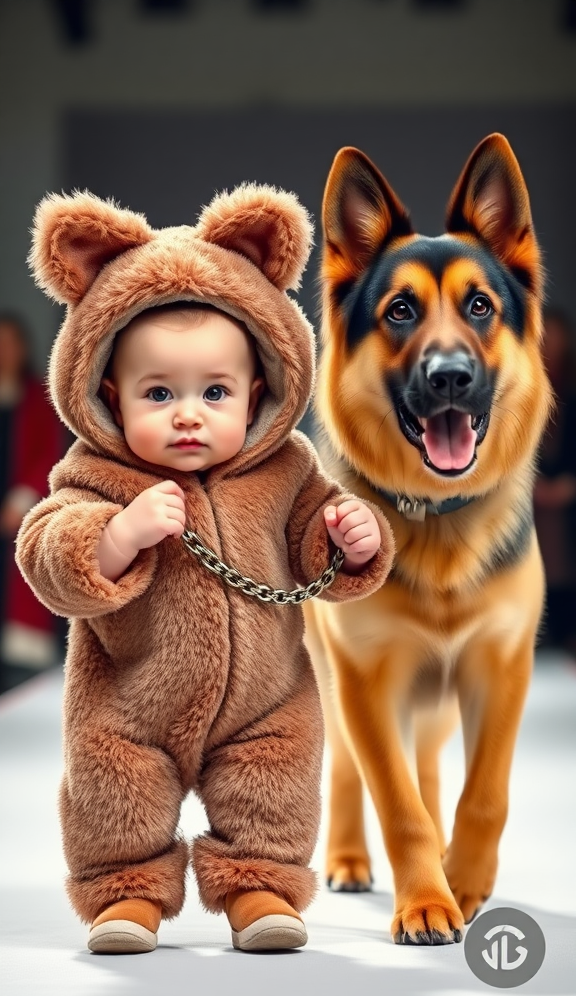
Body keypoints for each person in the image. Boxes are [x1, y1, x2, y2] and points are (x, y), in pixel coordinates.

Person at [16, 185, 395, 955]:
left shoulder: (287, 469)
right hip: (130, 698)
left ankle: (259, 883)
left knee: (275, 780)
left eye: (213, 392)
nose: (188, 414)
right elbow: (46, 551)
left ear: (258, 392)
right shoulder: (93, 474)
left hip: (264, 697)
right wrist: (117, 536)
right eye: (159, 393)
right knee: (112, 788)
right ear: (108, 397)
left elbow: (313, 542)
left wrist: (353, 539)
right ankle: (126, 894)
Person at [0, 313, 63, 690]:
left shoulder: (38, 398)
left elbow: (47, 453)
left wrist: (20, 500)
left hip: (20, 512)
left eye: (9, 343)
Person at [533, 308, 576, 655]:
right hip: (527, 492)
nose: (551, 344)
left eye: (556, 336)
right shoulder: (519, 389)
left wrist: (569, 485)